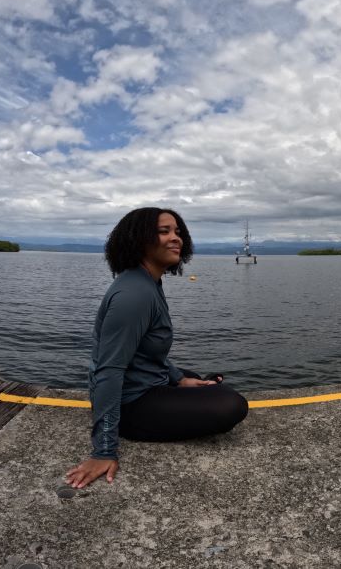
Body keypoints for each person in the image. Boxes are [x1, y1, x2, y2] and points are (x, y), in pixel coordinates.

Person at [66, 207, 248, 488]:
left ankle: (184, 383)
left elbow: (145, 355)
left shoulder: (148, 281)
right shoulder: (134, 294)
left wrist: (179, 379)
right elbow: (109, 370)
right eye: (164, 232)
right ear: (138, 239)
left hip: (144, 382)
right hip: (131, 406)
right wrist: (103, 450)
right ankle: (130, 425)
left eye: (177, 232)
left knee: (199, 378)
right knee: (231, 405)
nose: (176, 238)